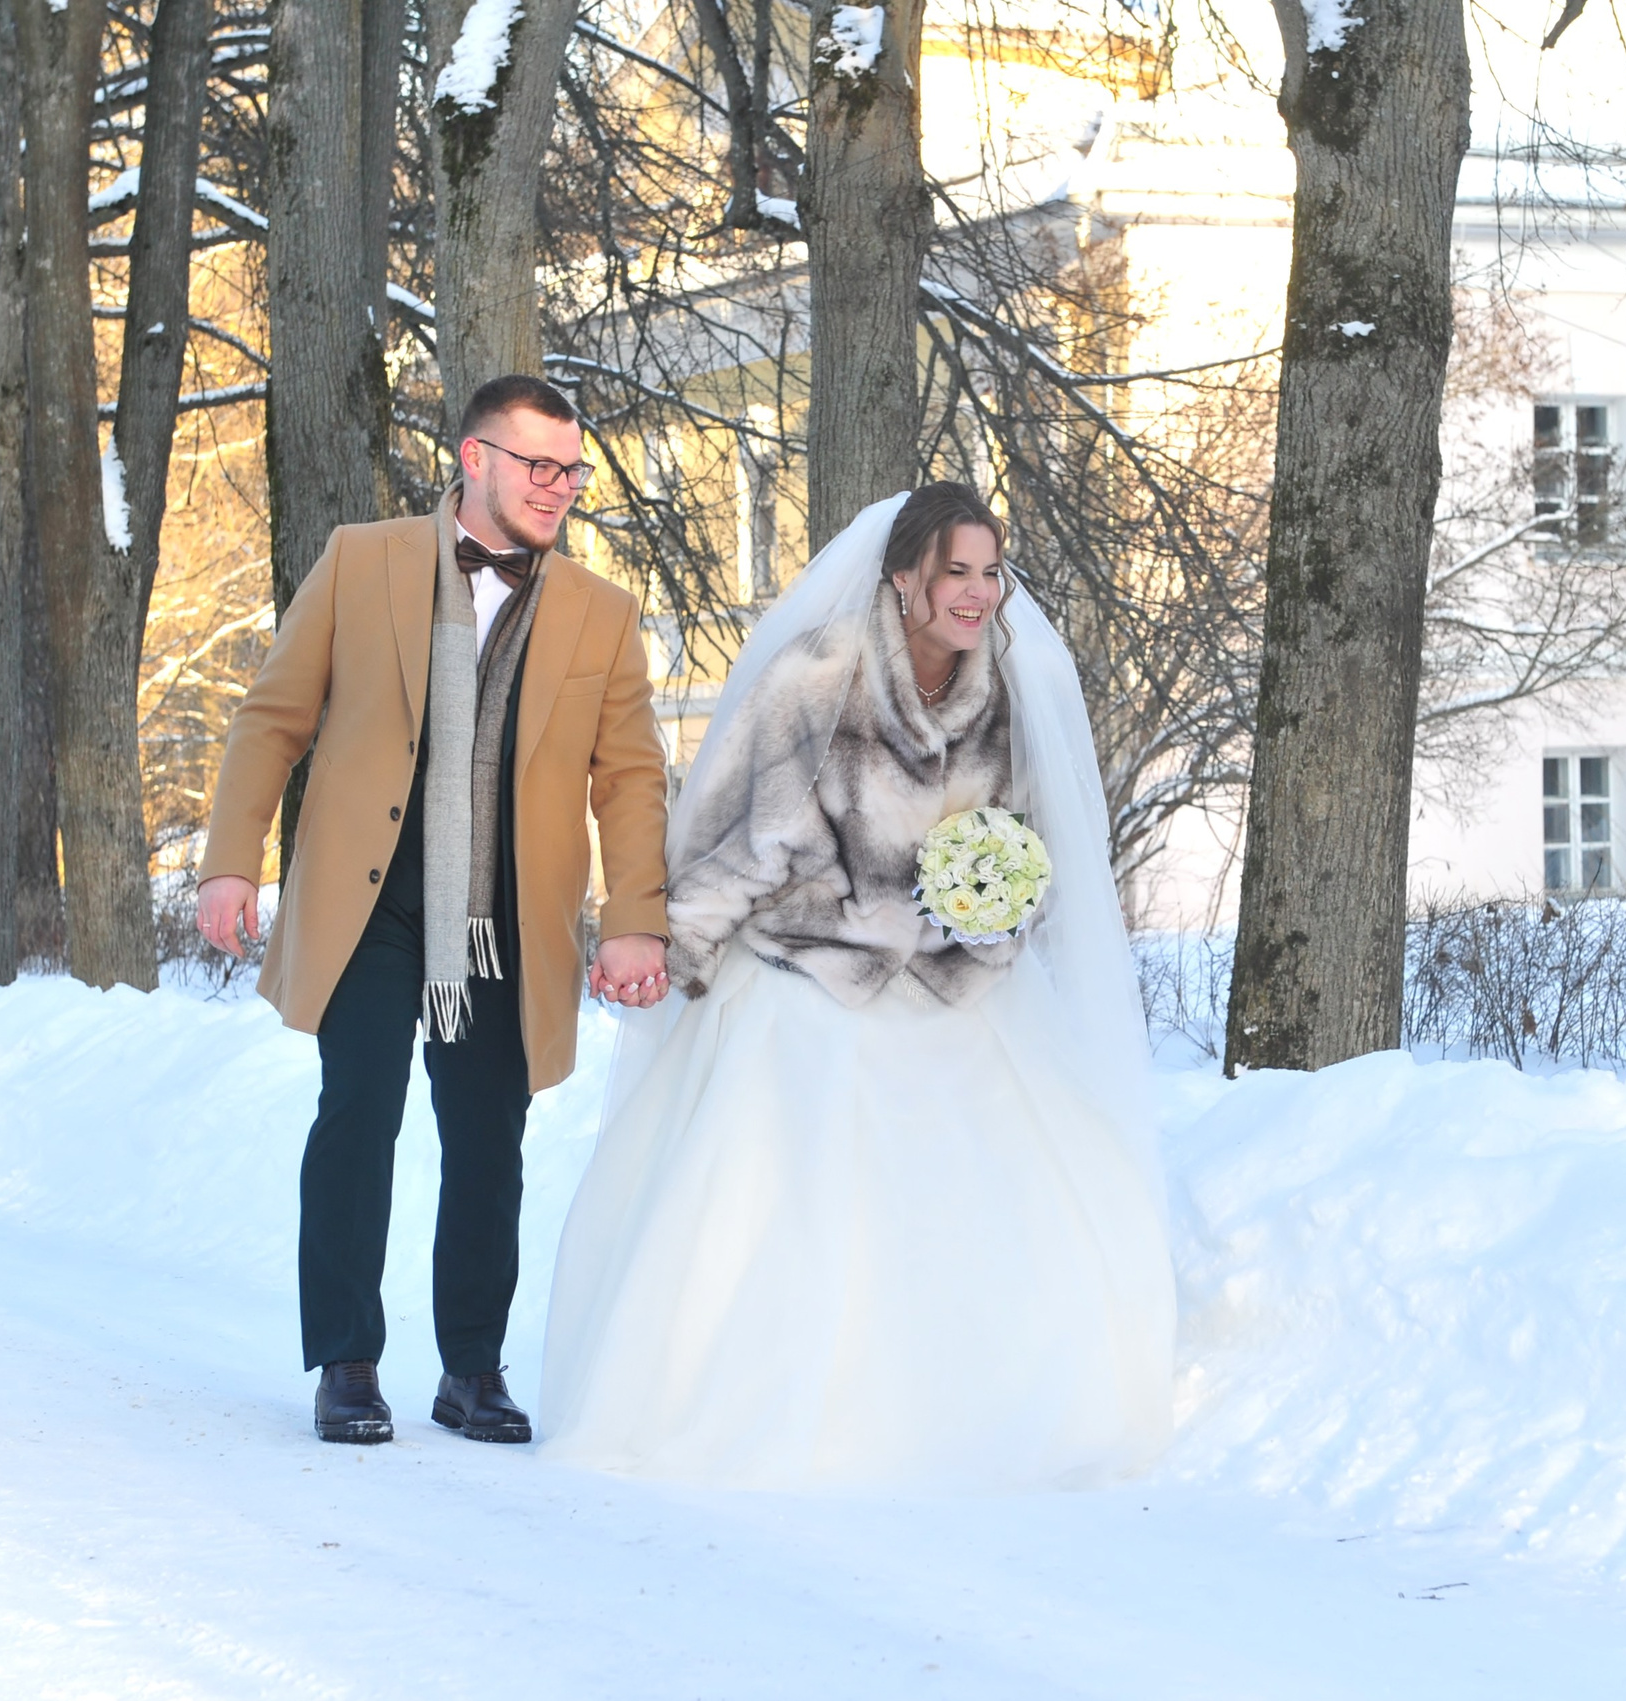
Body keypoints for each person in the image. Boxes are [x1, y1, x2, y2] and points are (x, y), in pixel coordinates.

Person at [539, 483, 1175, 1490]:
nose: (975, 593)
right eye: (954, 572)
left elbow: (1045, 842)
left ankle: (997, 1415)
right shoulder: (820, 674)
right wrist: (677, 948)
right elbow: (737, 832)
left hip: (957, 979)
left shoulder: (1011, 687)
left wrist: (999, 898)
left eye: (989, 572)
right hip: (812, 965)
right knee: (777, 1183)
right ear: (904, 579)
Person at [195, 375, 674, 1446]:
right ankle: (348, 1362)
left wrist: (635, 914)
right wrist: (232, 861)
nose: (558, 487)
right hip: (370, 897)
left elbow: (631, 779)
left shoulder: (603, 612)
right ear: (473, 458)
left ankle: (470, 1371)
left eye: (571, 468)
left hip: (501, 914)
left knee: (486, 1140)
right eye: (536, 464)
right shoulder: (362, 561)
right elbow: (274, 716)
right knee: (358, 1115)